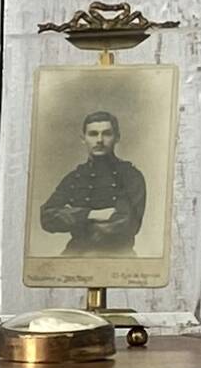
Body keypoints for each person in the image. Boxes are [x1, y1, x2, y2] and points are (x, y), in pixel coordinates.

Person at [39, 103, 150, 259]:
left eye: (106, 134)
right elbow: (46, 218)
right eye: (93, 134)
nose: (99, 140)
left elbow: (127, 224)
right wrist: (91, 214)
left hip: (117, 257)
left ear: (117, 137)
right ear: (83, 139)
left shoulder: (130, 176)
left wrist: (72, 218)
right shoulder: (74, 178)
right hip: (73, 255)